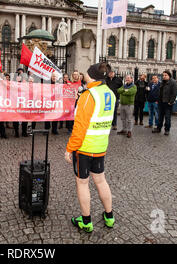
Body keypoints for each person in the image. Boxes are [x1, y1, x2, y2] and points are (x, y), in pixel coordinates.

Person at [64, 62, 115, 233]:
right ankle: (109, 216)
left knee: (82, 183)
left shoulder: (88, 95)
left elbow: (80, 127)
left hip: (85, 147)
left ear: (92, 75)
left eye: (87, 72)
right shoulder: (110, 93)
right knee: (101, 180)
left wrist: (70, 148)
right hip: (101, 145)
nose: (84, 74)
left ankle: (86, 221)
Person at [153, 70, 177, 136]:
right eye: (163, 75)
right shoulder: (162, 82)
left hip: (168, 103)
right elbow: (160, 92)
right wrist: (158, 100)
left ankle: (167, 130)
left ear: (169, 75)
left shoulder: (173, 82)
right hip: (161, 102)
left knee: (167, 117)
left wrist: (171, 101)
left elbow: (174, 93)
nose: (164, 76)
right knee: (160, 117)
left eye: (165, 75)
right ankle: (158, 128)